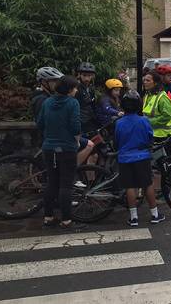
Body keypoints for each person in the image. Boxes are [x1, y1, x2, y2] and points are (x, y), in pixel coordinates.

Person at [37, 75, 85, 231]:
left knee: (52, 182)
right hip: (67, 148)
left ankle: (48, 217)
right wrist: (77, 140)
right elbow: (75, 126)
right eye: (75, 88)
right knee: (66, 184)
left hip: (49, 147)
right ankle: (66, 220)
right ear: (70, 89)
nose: (76, 90)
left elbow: (40, 123)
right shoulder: (73, 103)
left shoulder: (47, 102)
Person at [116, 90, 165, 226]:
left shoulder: (119, 123)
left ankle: (133, 217)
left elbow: (117, 140)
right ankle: (155, 214)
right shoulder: (144, 121)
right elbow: (150, 137)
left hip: (125, 158)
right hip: (142, 157)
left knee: (129, 186)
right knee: (147, 184)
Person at [142, 72, 171, 141]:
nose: (145, 82)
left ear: (156, 83)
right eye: (144, 80)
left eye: (148, 80)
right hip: (151, 132)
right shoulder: (147, 95)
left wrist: (149, 122)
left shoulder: (162, 97)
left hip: (162, 135)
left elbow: (167, 116)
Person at [74, 62, 98, 133]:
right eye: (84, 75)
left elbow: (93, 104)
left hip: (90, 119)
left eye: (89, 75)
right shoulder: (75, 88)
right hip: (80, 121)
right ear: (79, 75)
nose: (87, 78)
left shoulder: (91, 88)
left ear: (92, 76)